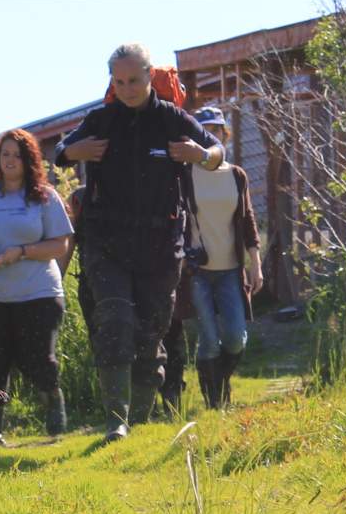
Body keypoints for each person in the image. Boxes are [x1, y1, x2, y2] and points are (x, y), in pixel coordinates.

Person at [55, 43, 224, 439]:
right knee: (114, 322)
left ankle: (141, 421)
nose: (127, 88)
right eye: (119, 82)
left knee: (150, 333)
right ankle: (116, 420)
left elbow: (218, 151)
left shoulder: (172, 119)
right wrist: (74, 150)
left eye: (134, 80)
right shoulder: (100, 120)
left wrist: (200, 155)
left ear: (149, 77)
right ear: (111, 82)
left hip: (160, 244)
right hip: (106, 242)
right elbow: (60, 153)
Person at [0, 129, 74, 443]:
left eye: (17, 155)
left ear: (29, 159)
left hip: (38, 293)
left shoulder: (45, 197)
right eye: (5, 154)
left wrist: (22, 251)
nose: (10, 160)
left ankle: (54, 406)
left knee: (38, 359)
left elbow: (60, 244)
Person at [185, 106, 262, 407]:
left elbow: (248, 220)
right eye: (203, 131)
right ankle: (215, 402)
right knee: (209, 340)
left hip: (231, 270)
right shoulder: (184, 175)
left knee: (235, 338)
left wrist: (255, 263)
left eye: (215, 130)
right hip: (198, 271)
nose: (210, 136)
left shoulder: (236, 175)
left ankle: (221, 380)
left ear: (224, 135)